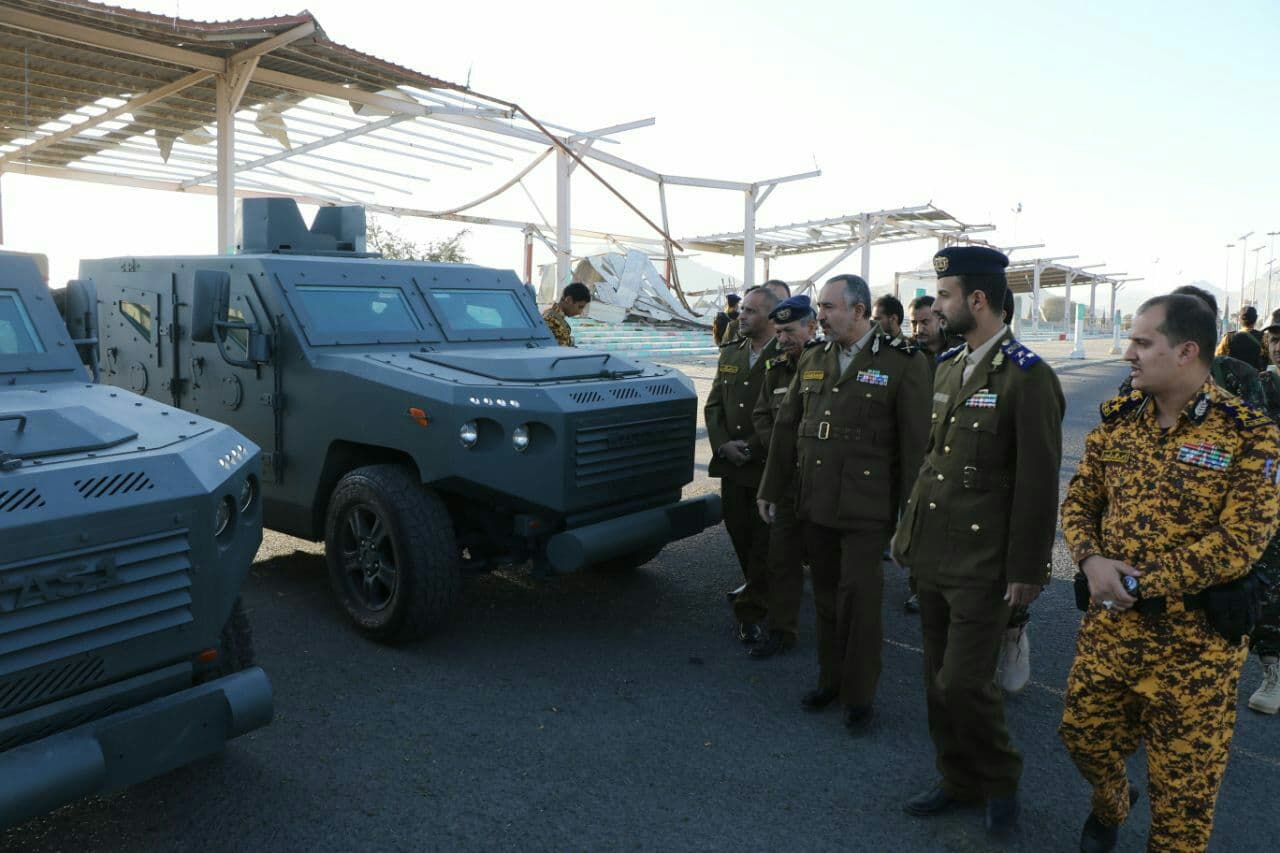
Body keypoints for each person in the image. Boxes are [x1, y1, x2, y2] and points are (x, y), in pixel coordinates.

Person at [1058, 293, 1280, 852]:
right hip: (1111, 633)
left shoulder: (1250, 434)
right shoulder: (1119, 421)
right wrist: (1089, 559)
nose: (1127, 353)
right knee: (1083, 738)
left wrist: (1135, 582)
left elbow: (1240, 543)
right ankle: (1112, 802)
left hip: (1195, 653)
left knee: (1182, 814)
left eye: (1142, 342)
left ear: (1186, 351)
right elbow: (1080, 499)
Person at [893, 246, 1064, 839]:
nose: (935, 307)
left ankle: (1000, 778)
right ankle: (957, 776)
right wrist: (907, 533)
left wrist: (1028, 569)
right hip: (933, 551)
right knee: (935, 679)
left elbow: (1038, 484)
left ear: (978, 300)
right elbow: (932, 462)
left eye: (944, 296)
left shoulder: (1028, 378)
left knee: (963, 681)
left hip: (985, 561)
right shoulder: (948, 365)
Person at [757, 273, 930, 733]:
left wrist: (909, 519)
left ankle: (859, 695)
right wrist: (771, 488)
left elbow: (915, 449)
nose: (821, 316)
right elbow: (787, 428)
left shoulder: (902, 362)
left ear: (858, 311)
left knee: (861, 603)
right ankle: (829, 680)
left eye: (829, 307)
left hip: (867, 508)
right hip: (816, 499)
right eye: (820, 307)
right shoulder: (815, 357)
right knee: (827, 598)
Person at [705, 286, 780, 643]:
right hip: (732, 465)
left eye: (750, 311)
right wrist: (722, 444)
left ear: (769, 316)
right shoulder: (731, 351)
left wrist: (749, 446)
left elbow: (785, 413)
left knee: (765, 541)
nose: (741, 316)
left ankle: (753, 610)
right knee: (739, 530)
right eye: (742, 310)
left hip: (764, 464)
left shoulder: (787, 355)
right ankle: (757, 587)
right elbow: (714, 405)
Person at [747, 295, 819, 658]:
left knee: (829, 561)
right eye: (778, 332)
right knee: (781, 558)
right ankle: (781, 630)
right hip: (787, 479)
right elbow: (762, 414)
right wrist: (779, 448)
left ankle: (839, 633)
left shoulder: (829, 363)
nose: (783, 339)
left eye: (789, 331)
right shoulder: (775, 368)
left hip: (823, 481)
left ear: (812, 327)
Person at [1246, 308, 1280, 715]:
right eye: (1274, 337)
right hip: (1264, 505)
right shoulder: (1257, 386)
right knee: (1265, 586)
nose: (1279, 345)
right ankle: (1273, 669)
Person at [1215, 305, 1266, 369]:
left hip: (1233, 375)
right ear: (1256, 319)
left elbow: (1217, 357)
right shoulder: (1263, 337)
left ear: (1240, 319)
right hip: (1255, 375)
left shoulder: (1228, 338)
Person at [542, 282, 591, 347]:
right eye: (580, 307)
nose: (580, 312)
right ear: (568, 300)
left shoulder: (555, 317)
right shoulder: (551, 320)